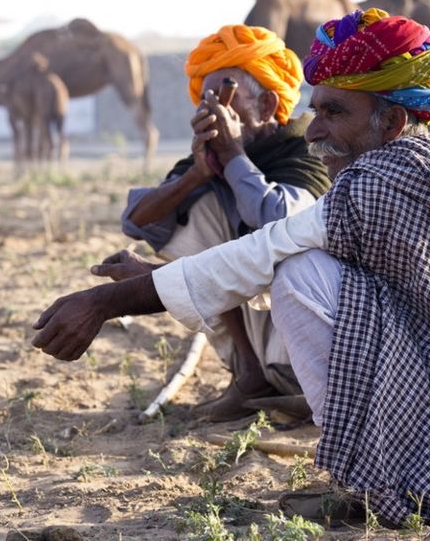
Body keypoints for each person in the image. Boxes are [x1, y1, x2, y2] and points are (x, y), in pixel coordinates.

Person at [32, 9, 430, 528]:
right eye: (315, 110)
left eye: (334, 112)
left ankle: (367, 485)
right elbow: (167, 228)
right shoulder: (427, 162)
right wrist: (161, 262)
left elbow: (267, 251)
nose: (314, 130)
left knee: (298, 272)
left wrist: (104, 302)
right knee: (288, 262)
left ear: (393, 121)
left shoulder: (381, 180)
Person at [105, 24, 329, 421]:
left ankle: (297, 384)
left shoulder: (306, 146)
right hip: (258, 325)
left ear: (266, 105)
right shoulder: (214, 154)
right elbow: (137, 222)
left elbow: (284, 224)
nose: (212, 111)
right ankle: (250, 375)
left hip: (312, 327)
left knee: (279, 243)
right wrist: (199, 173)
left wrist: (234, 157)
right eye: (205, 100)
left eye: (225, 98)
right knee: (199, 206)